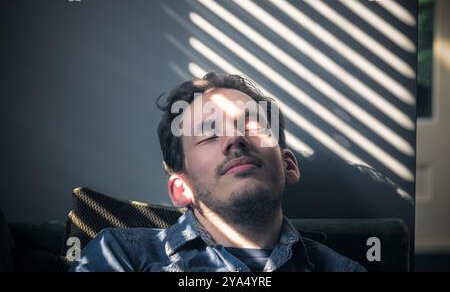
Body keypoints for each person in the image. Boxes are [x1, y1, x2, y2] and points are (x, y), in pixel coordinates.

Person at [70, 72, 366, 272]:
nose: (235, 139)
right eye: (209, 134)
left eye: (252, 125)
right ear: (180, 188)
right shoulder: (121, 255)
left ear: (288, 165)